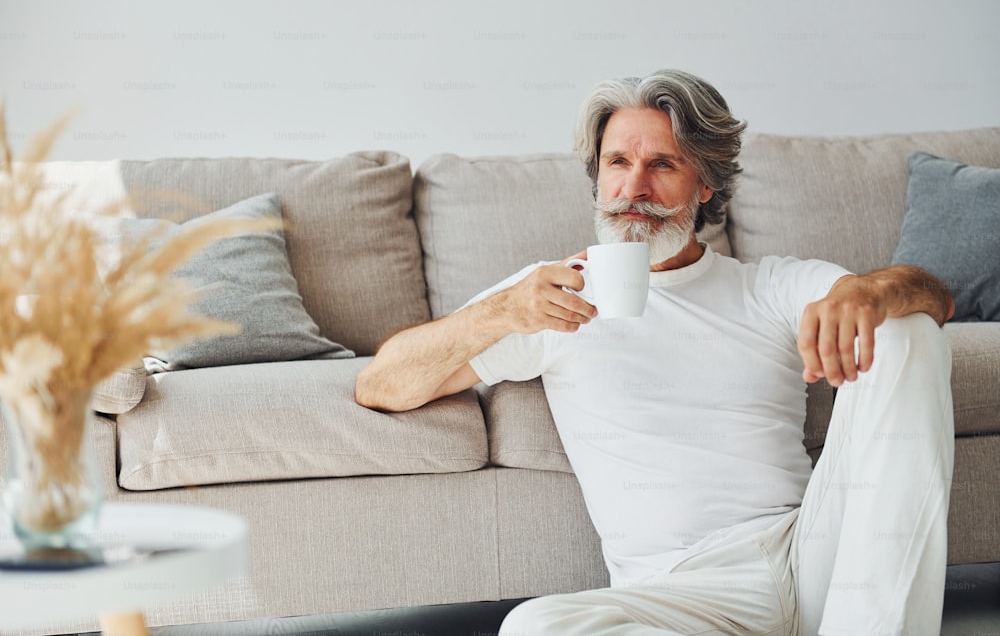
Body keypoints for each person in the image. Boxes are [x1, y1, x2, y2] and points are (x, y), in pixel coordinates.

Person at [355, 69, 956, 635]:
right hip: (679, 595)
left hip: (813, 553)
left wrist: (867, 290)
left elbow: (933, 295)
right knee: (533, 627)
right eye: (618, 162)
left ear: (705, 183)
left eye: (662, 164)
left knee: (907, 327)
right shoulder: (549, 297)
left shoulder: (766, 287)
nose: (634, 188)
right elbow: (382, 385)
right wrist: (499, 312)